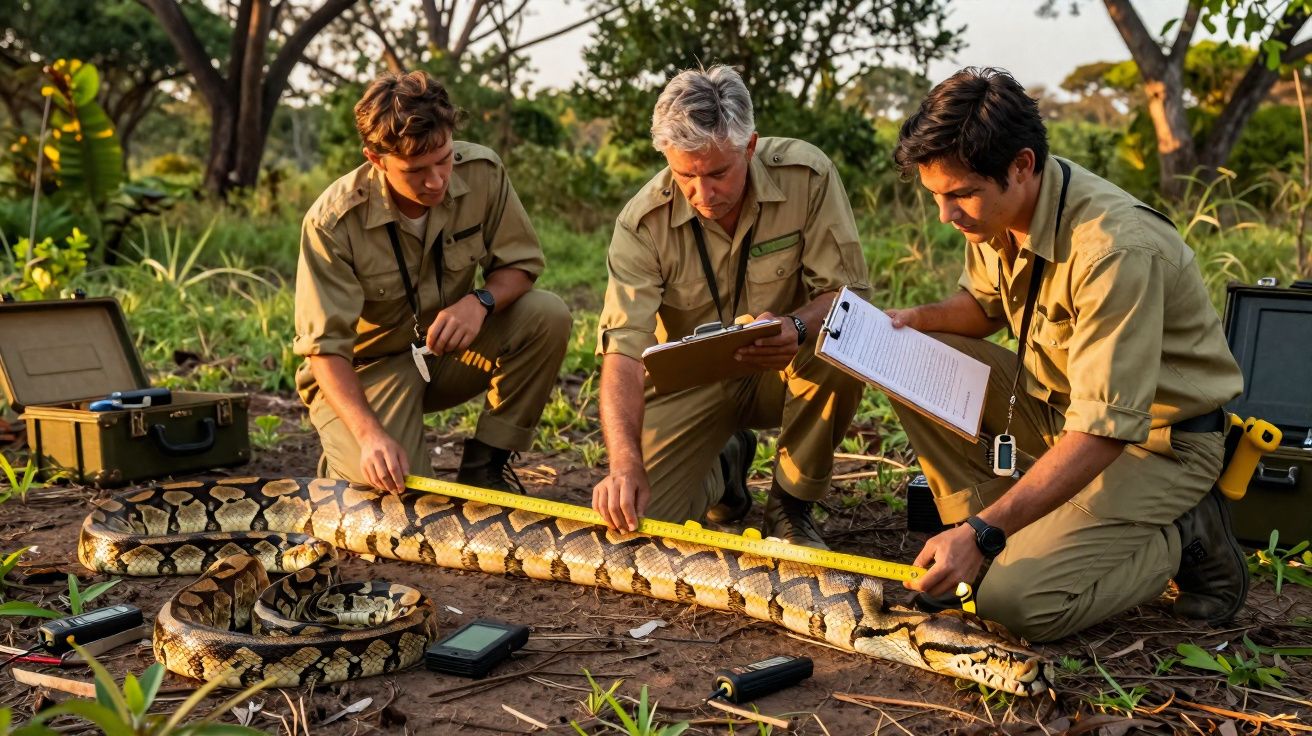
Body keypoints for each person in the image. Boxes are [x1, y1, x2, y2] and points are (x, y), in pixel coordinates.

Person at [889, 67, 1247, 641]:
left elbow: (1105, 429)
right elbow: (983, 309)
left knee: (1014, 604)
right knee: (910, 356)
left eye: (960, 195)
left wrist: (985, 533)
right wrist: (905, 323)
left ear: (1022, 166)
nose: (946, 215)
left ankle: (1181, 538)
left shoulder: (1113, 248)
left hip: (1155, 444)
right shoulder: (1002, 215)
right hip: (1057, 411)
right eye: (935, 195)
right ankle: (995, 529)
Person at [591, 65, 869, 549]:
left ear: (751, 145)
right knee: (639, 530)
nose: (704, 194)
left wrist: (797, 326)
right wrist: (624, 467)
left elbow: (848, 296)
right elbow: (622, 354)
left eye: (719, 172)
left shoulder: (807, 175)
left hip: (784, 365)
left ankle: (790, 506)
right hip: (690, 380)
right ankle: (726, 463)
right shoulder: (641, 222)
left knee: (847, 337)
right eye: (685, 176)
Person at [293, 71, 570, 494]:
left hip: (443, 355)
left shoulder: (481, 171)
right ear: (376, 158)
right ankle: (348, 446)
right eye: (416, 170)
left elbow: (522, 265)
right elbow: (324, 351)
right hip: (367, 372)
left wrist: (479, 301)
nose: (437, 180)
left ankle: (486, 465)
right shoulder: (333, 222)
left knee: (546, 314)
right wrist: (369, 437)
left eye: (443, 159)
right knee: (404, 496)